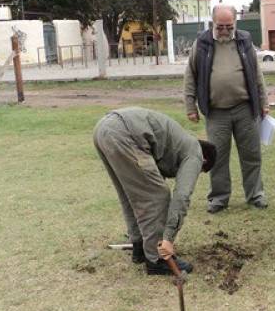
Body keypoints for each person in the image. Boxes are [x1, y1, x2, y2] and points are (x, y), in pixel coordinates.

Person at [93, 107, 217, 275]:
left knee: (131, 194)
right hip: (124, 133)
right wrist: (168, 239)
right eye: (199, 171)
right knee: (158, 195)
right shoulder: (195, 153)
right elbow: (181, 196)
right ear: (204, 160)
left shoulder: (177, 142)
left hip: (103, 128)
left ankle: (140, 248)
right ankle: (156, 259)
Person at [184, 4, 269, 213]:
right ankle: (219, 199)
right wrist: (190, 106)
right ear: (213, 23)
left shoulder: (244, 41)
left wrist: (264, 102)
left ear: (235, 23)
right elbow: (190, 75)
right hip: (216, 112)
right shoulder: (202, 43)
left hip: (245, 109)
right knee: (217, 157)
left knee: (251, 154)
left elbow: (256, 73)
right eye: (220, 26)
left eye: (228, 26)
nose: (224, 30)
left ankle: (255, 195)